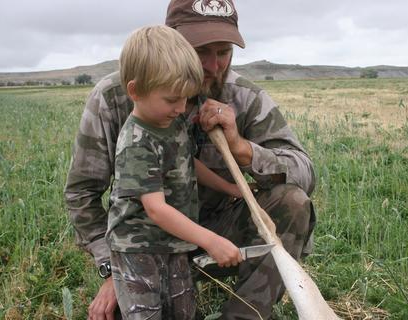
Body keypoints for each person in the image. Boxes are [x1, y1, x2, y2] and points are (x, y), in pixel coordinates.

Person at [64, 0, 316, 319]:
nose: (213, 66)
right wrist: (112, 268)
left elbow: (305, 174)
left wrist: (241, 148)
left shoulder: (244, 97)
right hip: (144, 245)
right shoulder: (116, 97)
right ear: (174, 42)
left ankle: (244, 315)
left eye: (223, 52)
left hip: (218, 233)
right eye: (201, 52)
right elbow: (81, 194)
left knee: (292, 202)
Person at [108, 24, 244, 319]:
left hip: (172, 242)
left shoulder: (171, 122)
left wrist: (231, 188)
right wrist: (211, 240)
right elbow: (156, 209)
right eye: (172, 100)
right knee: (147, 311)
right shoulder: (137, 141)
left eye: (186, 98)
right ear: (135, 90)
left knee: (183, 309)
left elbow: (187, 164)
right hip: (139, 247)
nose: (181, 108)